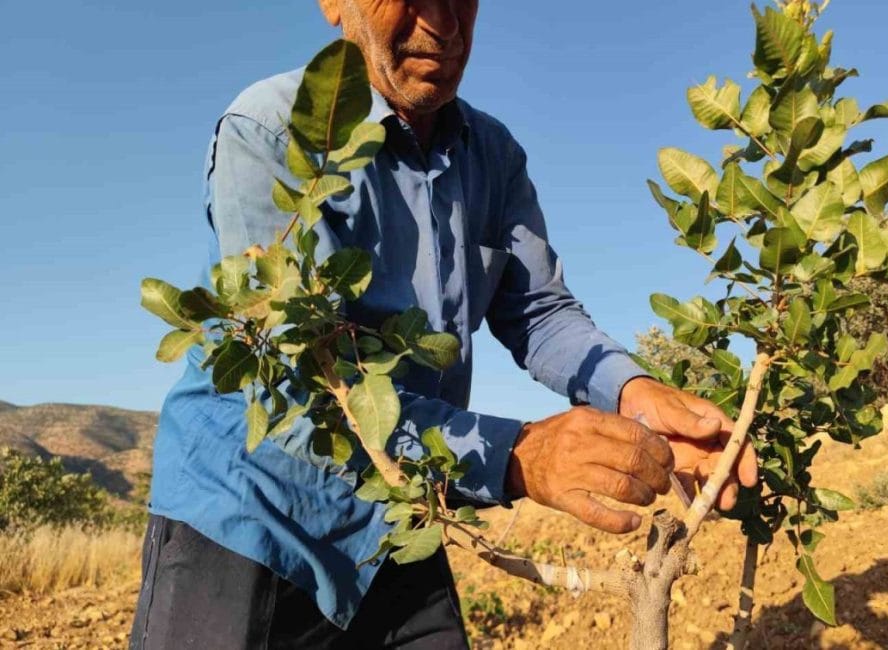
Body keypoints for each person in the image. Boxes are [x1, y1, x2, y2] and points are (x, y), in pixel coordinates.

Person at [129, 1, 758, 648]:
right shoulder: (269, 132)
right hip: (249, 516)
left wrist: (637, 395)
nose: (444, 24)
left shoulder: (492, 155)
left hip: (399, 515)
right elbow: (299, 393)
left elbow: (538, 311)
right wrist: (517, 456)